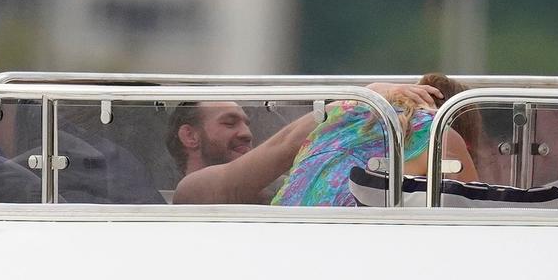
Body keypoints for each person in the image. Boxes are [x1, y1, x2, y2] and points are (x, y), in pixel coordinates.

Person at [166, 83, 440, 205]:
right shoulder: (191, 192)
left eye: (246, 123)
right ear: (190, 136)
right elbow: (284, 146)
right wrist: (361, 98)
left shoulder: (282, 187)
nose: (246, 133)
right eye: (229, 123)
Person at [271, 73, 480, 207]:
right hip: (348, 235)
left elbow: (286, 142)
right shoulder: (438, 131)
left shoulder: (345, 115)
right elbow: (474, 209)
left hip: (283, 226)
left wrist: (369, 91)